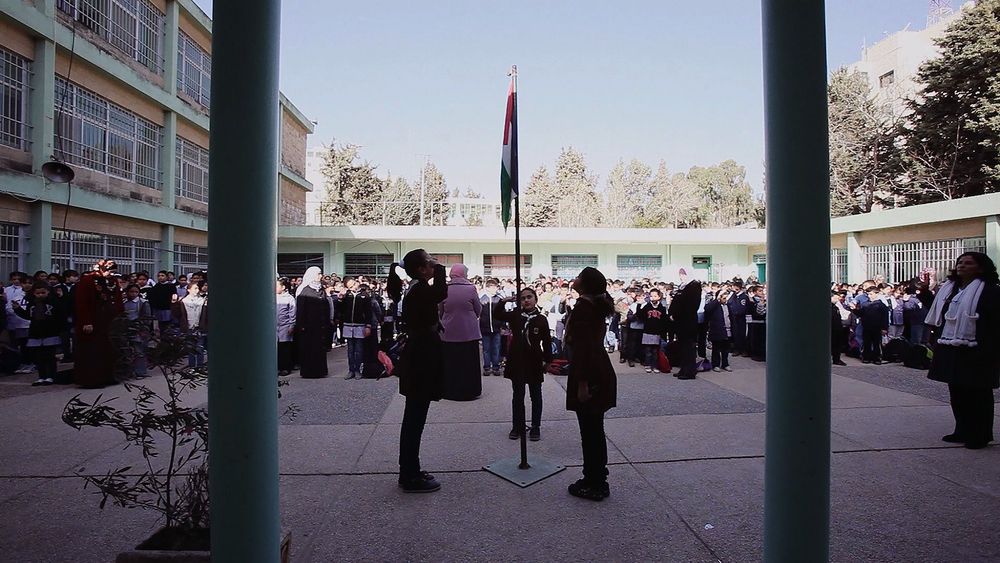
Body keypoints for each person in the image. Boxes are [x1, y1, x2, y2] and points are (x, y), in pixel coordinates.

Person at [925, 252, 1000, 449]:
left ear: (981, 268)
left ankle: (980, 434)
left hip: (977, 348)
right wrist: (926, 291)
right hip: (950, 346)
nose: (962, 266)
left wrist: (990, 349)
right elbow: (938, 313)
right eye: (960, 262)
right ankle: (962, 430)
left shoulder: (990, 291)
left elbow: (994, 322)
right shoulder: (949, 289)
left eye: (968, 263)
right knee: (957, 392)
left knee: (978, 393)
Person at [388, 249, 447, 493]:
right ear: (422, 269)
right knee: (414, 419)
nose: (434, 265)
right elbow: (441, 292)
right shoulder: (421, 289)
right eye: (430, 262)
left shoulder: (416, 288)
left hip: (418, 358)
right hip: (420, 360)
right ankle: (409, 475)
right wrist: (442, 269)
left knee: (414, 418)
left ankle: (410, 469)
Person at [564, 266, 616, 501]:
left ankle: (595, 482)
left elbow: (583, 348)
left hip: (590, 373)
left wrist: (582, 383)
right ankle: (595, 476)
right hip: (598, 370)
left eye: (578, 277)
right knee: (594, 429)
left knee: (590, 431)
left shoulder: (584, 309)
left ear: (584, 285)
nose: (573, 280)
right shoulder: (593, 306)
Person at [494, 287, 552, 441]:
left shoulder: (541, 319)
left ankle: (535, 427)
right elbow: (497, 314)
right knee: (518, 396)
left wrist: (548, 360)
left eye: (529, 297)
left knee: (536, 395)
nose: (526, 300)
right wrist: (503, 301)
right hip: (517, 360)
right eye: (522, 298)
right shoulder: (516, 316)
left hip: (533, 361)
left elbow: (546, 341)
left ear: (535, 299)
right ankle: (517, 425)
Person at [439, 264, 483, 400]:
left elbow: (440, 311)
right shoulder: (470, 288)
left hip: (448, 333)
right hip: (468, 332)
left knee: (451, 364)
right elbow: (478, 309)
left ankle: (450, 390)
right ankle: (470, 391)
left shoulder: (444, 288)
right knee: (468, 364)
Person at [12, 283, 68, 386]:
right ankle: (41, 376)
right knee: (39, 357)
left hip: (50, 332)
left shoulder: (53, 302)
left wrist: (61, 330)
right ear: (34, 293)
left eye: (43, 292)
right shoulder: (32, 304)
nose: (40, 295)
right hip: (36, 333)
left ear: (48, 292)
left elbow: (61, 315)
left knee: (50, 356)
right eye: (38, 293)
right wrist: (17, 309)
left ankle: (51, 376)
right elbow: (28, 316)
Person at [294, 266, 332, 378]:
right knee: (309, 349)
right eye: (318, 274)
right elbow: (300, 310)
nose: (321, 276)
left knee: (320, 349)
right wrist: (301, 325)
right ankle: (309, 372)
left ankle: (320, 371)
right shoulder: (305, 290)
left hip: (320, 327)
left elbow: (326, 307)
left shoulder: (321, 290)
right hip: (308, 327)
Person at [339, 280, 375, 380]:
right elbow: (341, 310)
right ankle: (351, 370)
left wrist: (368, 325)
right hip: (348, 324)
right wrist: (340, 300)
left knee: (359, 349)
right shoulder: (346, 295)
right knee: (350, 349)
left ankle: (358, 370)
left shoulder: (365, 295)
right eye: (350, 286)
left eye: (353, 285)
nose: (353, 287)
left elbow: (368, 311)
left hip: (360, 325)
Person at [670, 271, 702, 380]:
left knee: (689, 348)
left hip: (688, 322)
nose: (681, 277)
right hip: (681, 322)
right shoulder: (683, 287)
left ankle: (689, 372)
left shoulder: (694, 286)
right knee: (682, 347)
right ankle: (683, 369)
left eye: (683, 274)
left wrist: (677, 313)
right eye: (680, 274)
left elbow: (690, 305)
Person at [171, 280, 208, 367]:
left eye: (198, 288)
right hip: (188, 327)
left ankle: (199, 366)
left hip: (199, 327)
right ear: (189, 290)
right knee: (190, 348)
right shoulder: (183, 301)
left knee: (200, 347)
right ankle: (191, 366)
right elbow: (176, 314)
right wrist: (174, 303)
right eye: (195, 288)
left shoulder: (202, 300)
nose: (197, 290)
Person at [121, 283, 151, 379]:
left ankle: (140, 372)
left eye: (136, 292)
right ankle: (128, 371)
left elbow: (147, 318)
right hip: (126, 329)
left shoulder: (143, 302)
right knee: (127, 351)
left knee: (140, 351)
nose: (133, 294)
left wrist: (144, 329)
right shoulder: (124, 302)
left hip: (139, 329)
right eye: (131, 292)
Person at [479, 279, 505, 376]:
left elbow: (503, 314)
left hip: (496, 328)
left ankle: (496, 367)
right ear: (488, 288)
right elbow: (479, 315)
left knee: (496, 348)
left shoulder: (499, 299)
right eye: (494, 287)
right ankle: (486, 367)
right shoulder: (482, 299)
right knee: (486, 349)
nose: (496, 289)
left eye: (496, 287)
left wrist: (503, 326)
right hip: (485, 328)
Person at [638, 289, 668, 373]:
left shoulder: (662, 308)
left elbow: (664, 321)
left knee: (655, 351)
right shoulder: (647, 306)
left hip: (657, 332)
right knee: (648, 350)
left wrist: (663, 333)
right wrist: (639, 306)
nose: (653, 298)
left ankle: (655, 365)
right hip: (647, 331)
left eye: (655, 296)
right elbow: (640, 316)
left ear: (659, 297)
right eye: (651, 296)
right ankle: (647, 364)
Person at [705, 289, 734, 372]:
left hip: (727, 330)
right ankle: (715, 364)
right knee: (716, 349)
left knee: (726, 349)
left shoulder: (728, 305)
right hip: (717, 330)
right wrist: (716, 299)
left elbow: (731, 317)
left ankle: (725, 364)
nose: (726, 300)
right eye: (724, 298)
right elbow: (707, 309)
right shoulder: (714, 305)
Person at [858, 288, 889, 364]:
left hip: (877, 327)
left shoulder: (881, 305)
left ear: (876, 294)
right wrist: (855, 310)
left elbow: (885, 317)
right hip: (866, 326)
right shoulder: (864, 304)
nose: (869, 296)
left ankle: (877, 358)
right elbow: (860, 314)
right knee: (866, 343)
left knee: (877, 343)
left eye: (871, 294)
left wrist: (884, 328)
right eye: (868, 294)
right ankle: (866, 357)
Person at [276, 278, 296, 376]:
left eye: (277, 286)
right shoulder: (273, 297)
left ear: (283, 287)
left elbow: (292, 313)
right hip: (274, 327)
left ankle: (286, 368)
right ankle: (277, 367)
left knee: (285, 348)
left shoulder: (289, 298)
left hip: (285, 326)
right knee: (277, 348)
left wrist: (292, 325)